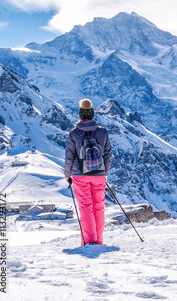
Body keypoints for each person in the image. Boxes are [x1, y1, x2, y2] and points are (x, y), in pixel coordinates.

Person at [65, 99, 112, 245]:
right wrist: (105, 173)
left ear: (80, 116)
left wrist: (67, 175)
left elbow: (69, 157)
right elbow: (107, 154)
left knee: (86, 208)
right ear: (92, 115)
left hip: (80, 175)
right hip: (99, 174)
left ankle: (89, 241)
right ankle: (98, 241)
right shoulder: (103, 132)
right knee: (99, 207)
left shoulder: (74, 134)